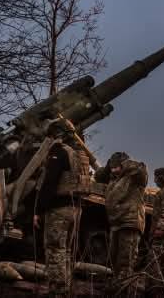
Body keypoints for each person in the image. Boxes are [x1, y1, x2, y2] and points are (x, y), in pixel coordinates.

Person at [33, 119, 91, 295]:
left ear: (57, 134)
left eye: (50, 135)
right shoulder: (81, 155)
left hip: (59, 209)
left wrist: (38, 210)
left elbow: (49, 183)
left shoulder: (59, 152)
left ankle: (58, 292)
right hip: (75, 209)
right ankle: (65, 289)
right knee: (65, 251)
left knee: (54, 250)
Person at [94, 152, 148, 294]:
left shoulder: (135, 177)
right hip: (116, 223)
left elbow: (142, 168)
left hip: (130, 222)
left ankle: (125, 291)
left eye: (116, 166)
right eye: (112, 166)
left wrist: (123, 164)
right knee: (114, 260)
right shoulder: (113, 179)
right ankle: (117, 288)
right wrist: (108, 166)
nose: (114, 169)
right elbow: (98, 176)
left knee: (126, 261)